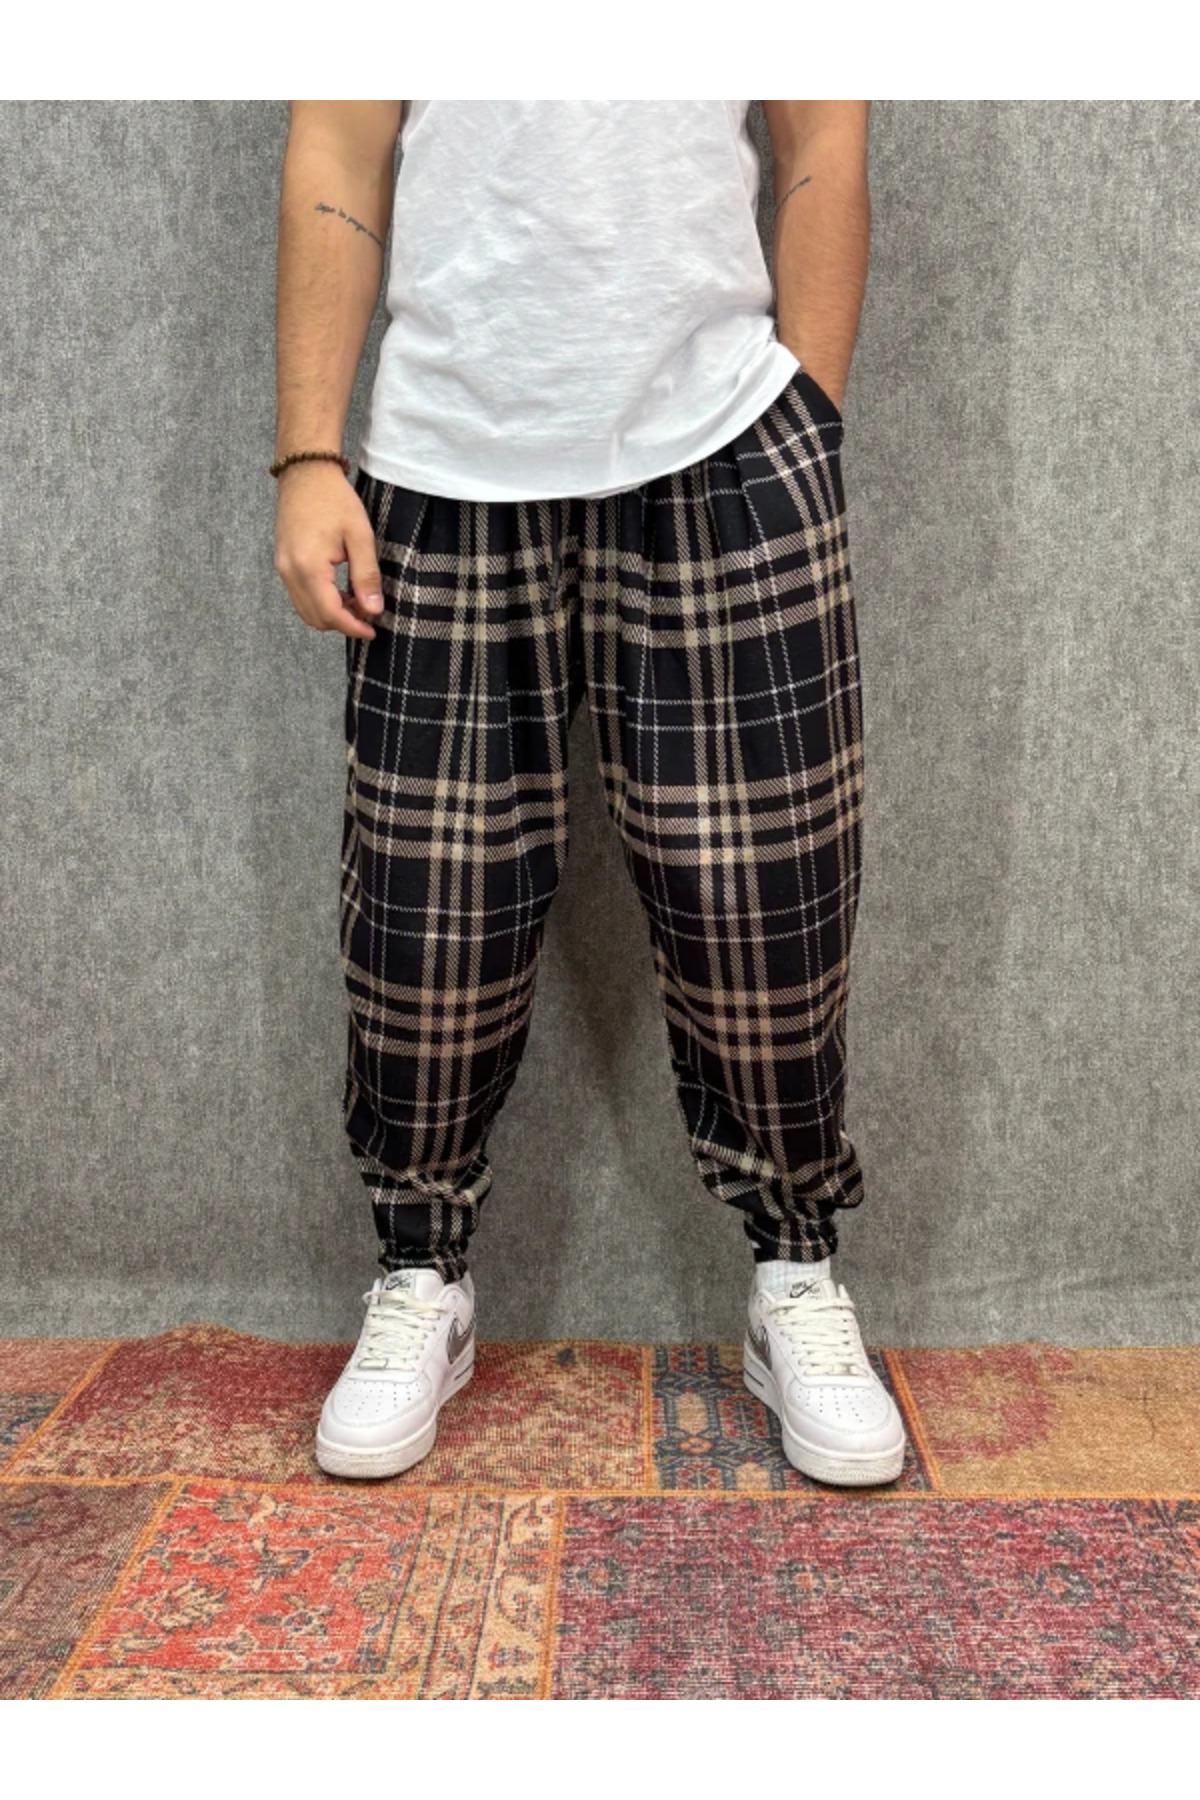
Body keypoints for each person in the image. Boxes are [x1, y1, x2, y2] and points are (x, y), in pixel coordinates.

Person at [272, 99, 906, 1488]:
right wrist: (310, 453)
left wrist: (808, 423)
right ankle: (420, 1274)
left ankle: (796, 1271)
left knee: (768, 906)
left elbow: (822, 143)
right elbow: (337, 147)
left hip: (727, 439)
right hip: (442, 457)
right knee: (427, 919)